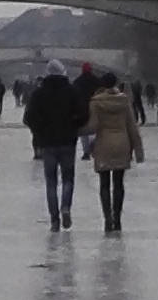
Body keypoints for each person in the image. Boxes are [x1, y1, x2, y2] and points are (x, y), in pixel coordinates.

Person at [24, 60, 88, 230]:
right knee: (68, 179)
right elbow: (84, 114)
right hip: (68, 141)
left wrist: (39, 132)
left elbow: (28, 118)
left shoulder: (39, 94)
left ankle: (54, 219)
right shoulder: (72, 92)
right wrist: (74, 125)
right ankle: (66, 207)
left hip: (48, 143)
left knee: (51, 181)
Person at [82, 72, 144, 232]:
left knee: (104, 184)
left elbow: (93, 127)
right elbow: (132, 126)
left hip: (103, 144)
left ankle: (107, 219)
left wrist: (76, 131)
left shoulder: (96, 102)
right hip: (122, 144)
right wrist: (138, 151)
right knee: (118, 183)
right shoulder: (124, 101)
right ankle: (117, 218)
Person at [72, 62, 102, 159]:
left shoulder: (77, 81)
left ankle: (86, 152)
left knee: (84, 132)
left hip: (82, 109)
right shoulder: (97, 81)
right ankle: (95, 145)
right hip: (96, 107)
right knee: (97, 129)